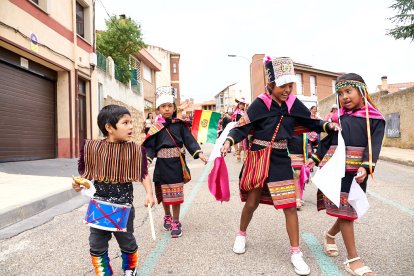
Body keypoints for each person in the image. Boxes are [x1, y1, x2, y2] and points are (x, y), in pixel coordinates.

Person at [221, 57, 339, 275]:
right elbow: (241, 128)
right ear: (271, 84)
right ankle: (241, 234)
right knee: (252, 202)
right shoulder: (259, 104)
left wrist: (327, 125)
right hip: (258, 156)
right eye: (282, 85)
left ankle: (296, 253)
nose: (287, 90)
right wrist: (229, 141)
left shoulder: (294, 104)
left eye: (290, 85)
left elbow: (312, 122)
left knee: (290, 206)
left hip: (280, 158)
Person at [307, 73, 385, 276]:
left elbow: (373, 146)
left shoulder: (375, 119)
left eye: (348, 91)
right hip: (337, 171)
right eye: (340, 93)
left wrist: (366, 167)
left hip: (357, 172)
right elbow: (327, 142)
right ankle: (353, 260)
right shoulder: (338, 118)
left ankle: (330, 235)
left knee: (350, 212)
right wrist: (315, 158)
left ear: (362, 92)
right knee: (346, 213)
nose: (344, 97)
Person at [72, 104, 155, 276]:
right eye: (125, 123)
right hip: (99, 207)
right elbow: (86, 177)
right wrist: (79, 184)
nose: (131, 126)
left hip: (123, 207)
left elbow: (143, 173)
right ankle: (103, 271)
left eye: (131, 122)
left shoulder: (134, 150)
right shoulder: (93, 148)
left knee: (127, 241)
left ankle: (130, 268)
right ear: (109, 127)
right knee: (96, 244)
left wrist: (149, 193)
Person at [143, 87, 208, 238]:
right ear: (158, 109)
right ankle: (167, 216)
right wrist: (146, 160)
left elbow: (189, 140)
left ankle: (176, 221)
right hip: (161, 165)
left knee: (176, 195)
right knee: (165, 195)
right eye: (163, 106)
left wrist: (199, 154)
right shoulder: (155, 128)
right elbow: (150, 147)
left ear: (174, 108)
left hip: (176, 164)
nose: (166, 109)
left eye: (169, 106)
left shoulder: (180, 124)